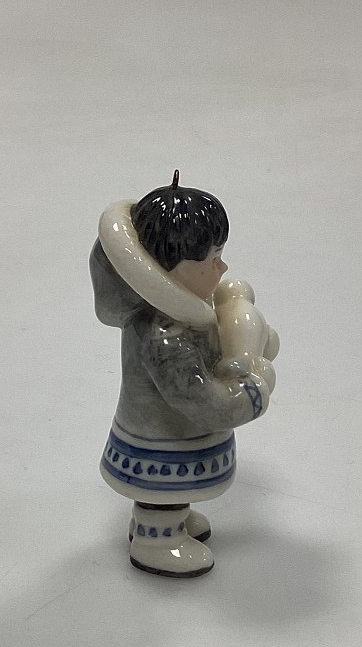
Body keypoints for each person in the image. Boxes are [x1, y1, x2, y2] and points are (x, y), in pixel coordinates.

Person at [90, 172, 277, 577]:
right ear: (170, 269)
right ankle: (156, 538)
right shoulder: (166, 335)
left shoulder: (187, 313)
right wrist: (253, 390)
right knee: (161, 488)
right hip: (163, 436)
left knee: (171, 489)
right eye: (211, 259)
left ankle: (170, 519)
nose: (222, 266)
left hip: (164, 432)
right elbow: (199, 399)